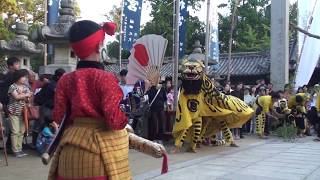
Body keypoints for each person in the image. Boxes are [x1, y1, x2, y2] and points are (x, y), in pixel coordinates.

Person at [47, 20, 131, 180]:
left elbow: (59, 116)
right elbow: (113, 119)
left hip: (69, 148)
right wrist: (126, 118)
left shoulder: (65, 79)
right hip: (99, 151)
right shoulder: (106, 78)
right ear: (99, 45)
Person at [33, 68, 65, 146]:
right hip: (47, 108)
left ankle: (40, 143)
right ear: (58, 76)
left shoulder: (52, 83)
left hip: (48, 107)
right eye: (63, 76)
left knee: (44, 125)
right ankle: (41, 144)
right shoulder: (53, 85)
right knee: (44, 125)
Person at [7, 69, 32, 157]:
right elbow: (16, 97)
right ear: (18, 77)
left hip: (23, 111)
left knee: (22, 131)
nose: (24, 78)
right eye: (23, 77)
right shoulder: (12, 86)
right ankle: (15, 150)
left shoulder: (26, 87)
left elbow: (28, 98)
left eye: (25, 77)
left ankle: (19, 149)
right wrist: (26, 95)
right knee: (15, 131)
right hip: (13, 111)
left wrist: (25, 96)